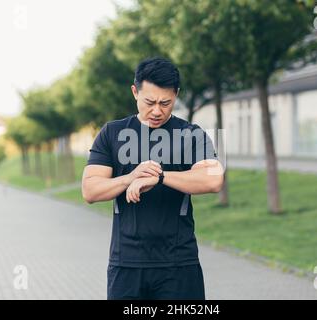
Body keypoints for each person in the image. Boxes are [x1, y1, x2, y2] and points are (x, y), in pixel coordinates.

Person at [82, 57, 224, 300]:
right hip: (126, 264)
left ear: (176, 95)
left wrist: (158, 177)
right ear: (135, 92)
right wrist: (130, 178)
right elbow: (90, 190)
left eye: (165, 103)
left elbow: (213, 180)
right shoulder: (111, 133)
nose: (157, 111)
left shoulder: (192, 134)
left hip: (179, 264)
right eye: (149, 102)